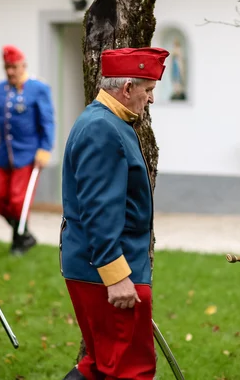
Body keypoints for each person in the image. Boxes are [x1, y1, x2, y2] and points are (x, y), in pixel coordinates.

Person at [60, 47, 169, 380]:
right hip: (110, 270)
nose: (150, 99)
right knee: (129, 370)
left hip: (106, 265)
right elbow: (99, 208)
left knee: (99, 365)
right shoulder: (103, 129)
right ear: (126, 89)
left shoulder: (108, 121)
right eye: (147, 89)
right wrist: (116, 275)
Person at [0, 45, 55, 255]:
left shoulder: (38, 88)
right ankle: (25, 235)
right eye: (7, 68)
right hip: (5, 156)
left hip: (28, 154)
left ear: (24, 65)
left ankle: (18, 242)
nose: (11, 72)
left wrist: (45, 148)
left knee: (17, 201)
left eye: (14, 67)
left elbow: (47, 121)